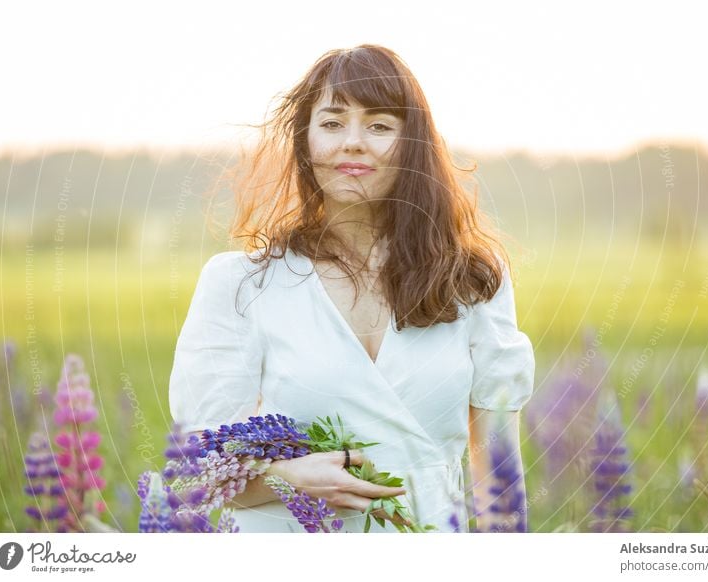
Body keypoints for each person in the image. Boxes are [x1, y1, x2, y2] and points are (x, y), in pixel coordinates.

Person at [168, 44, 535, 533]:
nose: (354, 142)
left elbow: (498, 476)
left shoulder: (469, 279)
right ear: (304, 141)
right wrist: (287, 478)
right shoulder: (240, 282)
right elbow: (193, 474)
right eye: (333, 122)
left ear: (412, 147)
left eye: (380, 126)